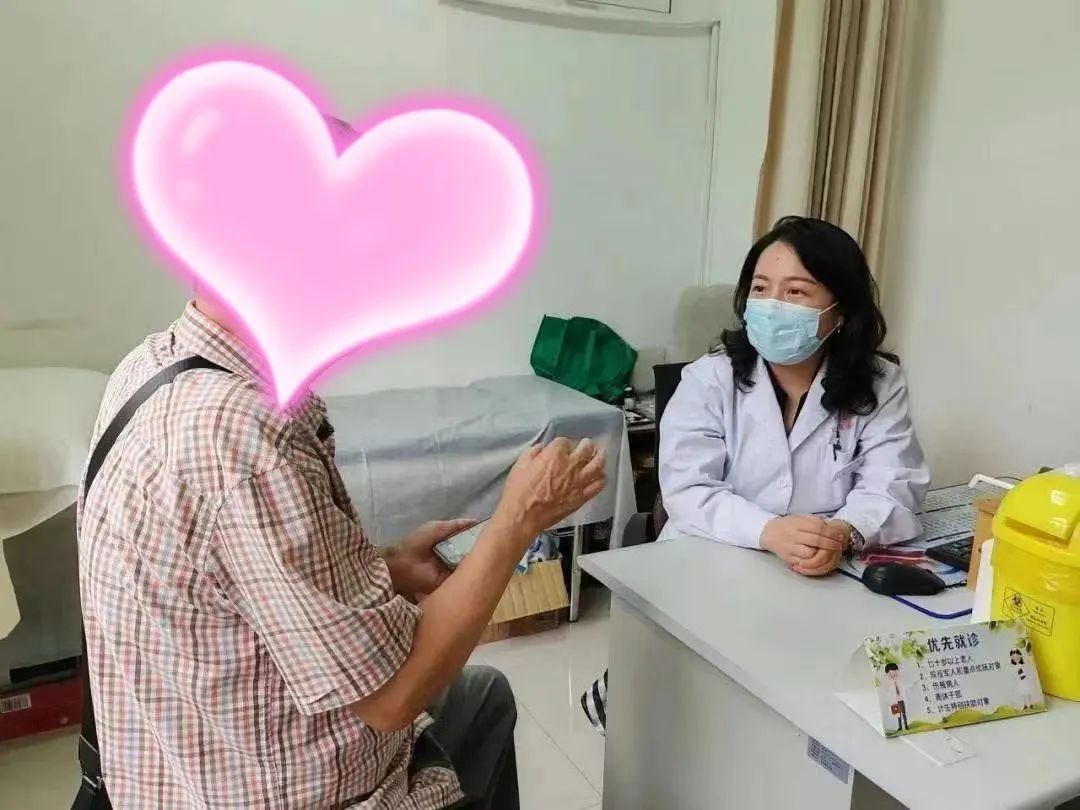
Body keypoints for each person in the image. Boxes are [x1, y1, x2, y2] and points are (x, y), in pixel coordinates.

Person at [77, 298, 607, 809]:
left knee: (484, 696)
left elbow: (232, 580)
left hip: (181, 765)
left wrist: (387, 569)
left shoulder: (150, 366)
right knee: (474, 697)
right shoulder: (244, 443)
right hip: (277, 788)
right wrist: (517, 521)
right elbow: (394, 697)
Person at [581, 216, 929, 734]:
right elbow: (688, 490)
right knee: (677, 708)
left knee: (807, 696)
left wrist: (845, 530)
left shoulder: (879, 384)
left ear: (840, 311)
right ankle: (622, 702)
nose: (772, 305)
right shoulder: (710, 378)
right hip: (713, 555)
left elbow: (894, 482)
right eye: (761, 290)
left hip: (819, 567)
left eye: (796, 292)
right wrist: (768, 531)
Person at [885, 662, 908, 732]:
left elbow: (901, 686)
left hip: (901, 699)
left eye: (895, 671)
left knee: (903, 713)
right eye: (891, 672)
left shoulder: (898, 679)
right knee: (898, 715)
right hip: (895, 700)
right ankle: (900, 727)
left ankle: (906, 726)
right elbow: (890, 690)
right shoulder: (890, 681)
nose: (893, 673)